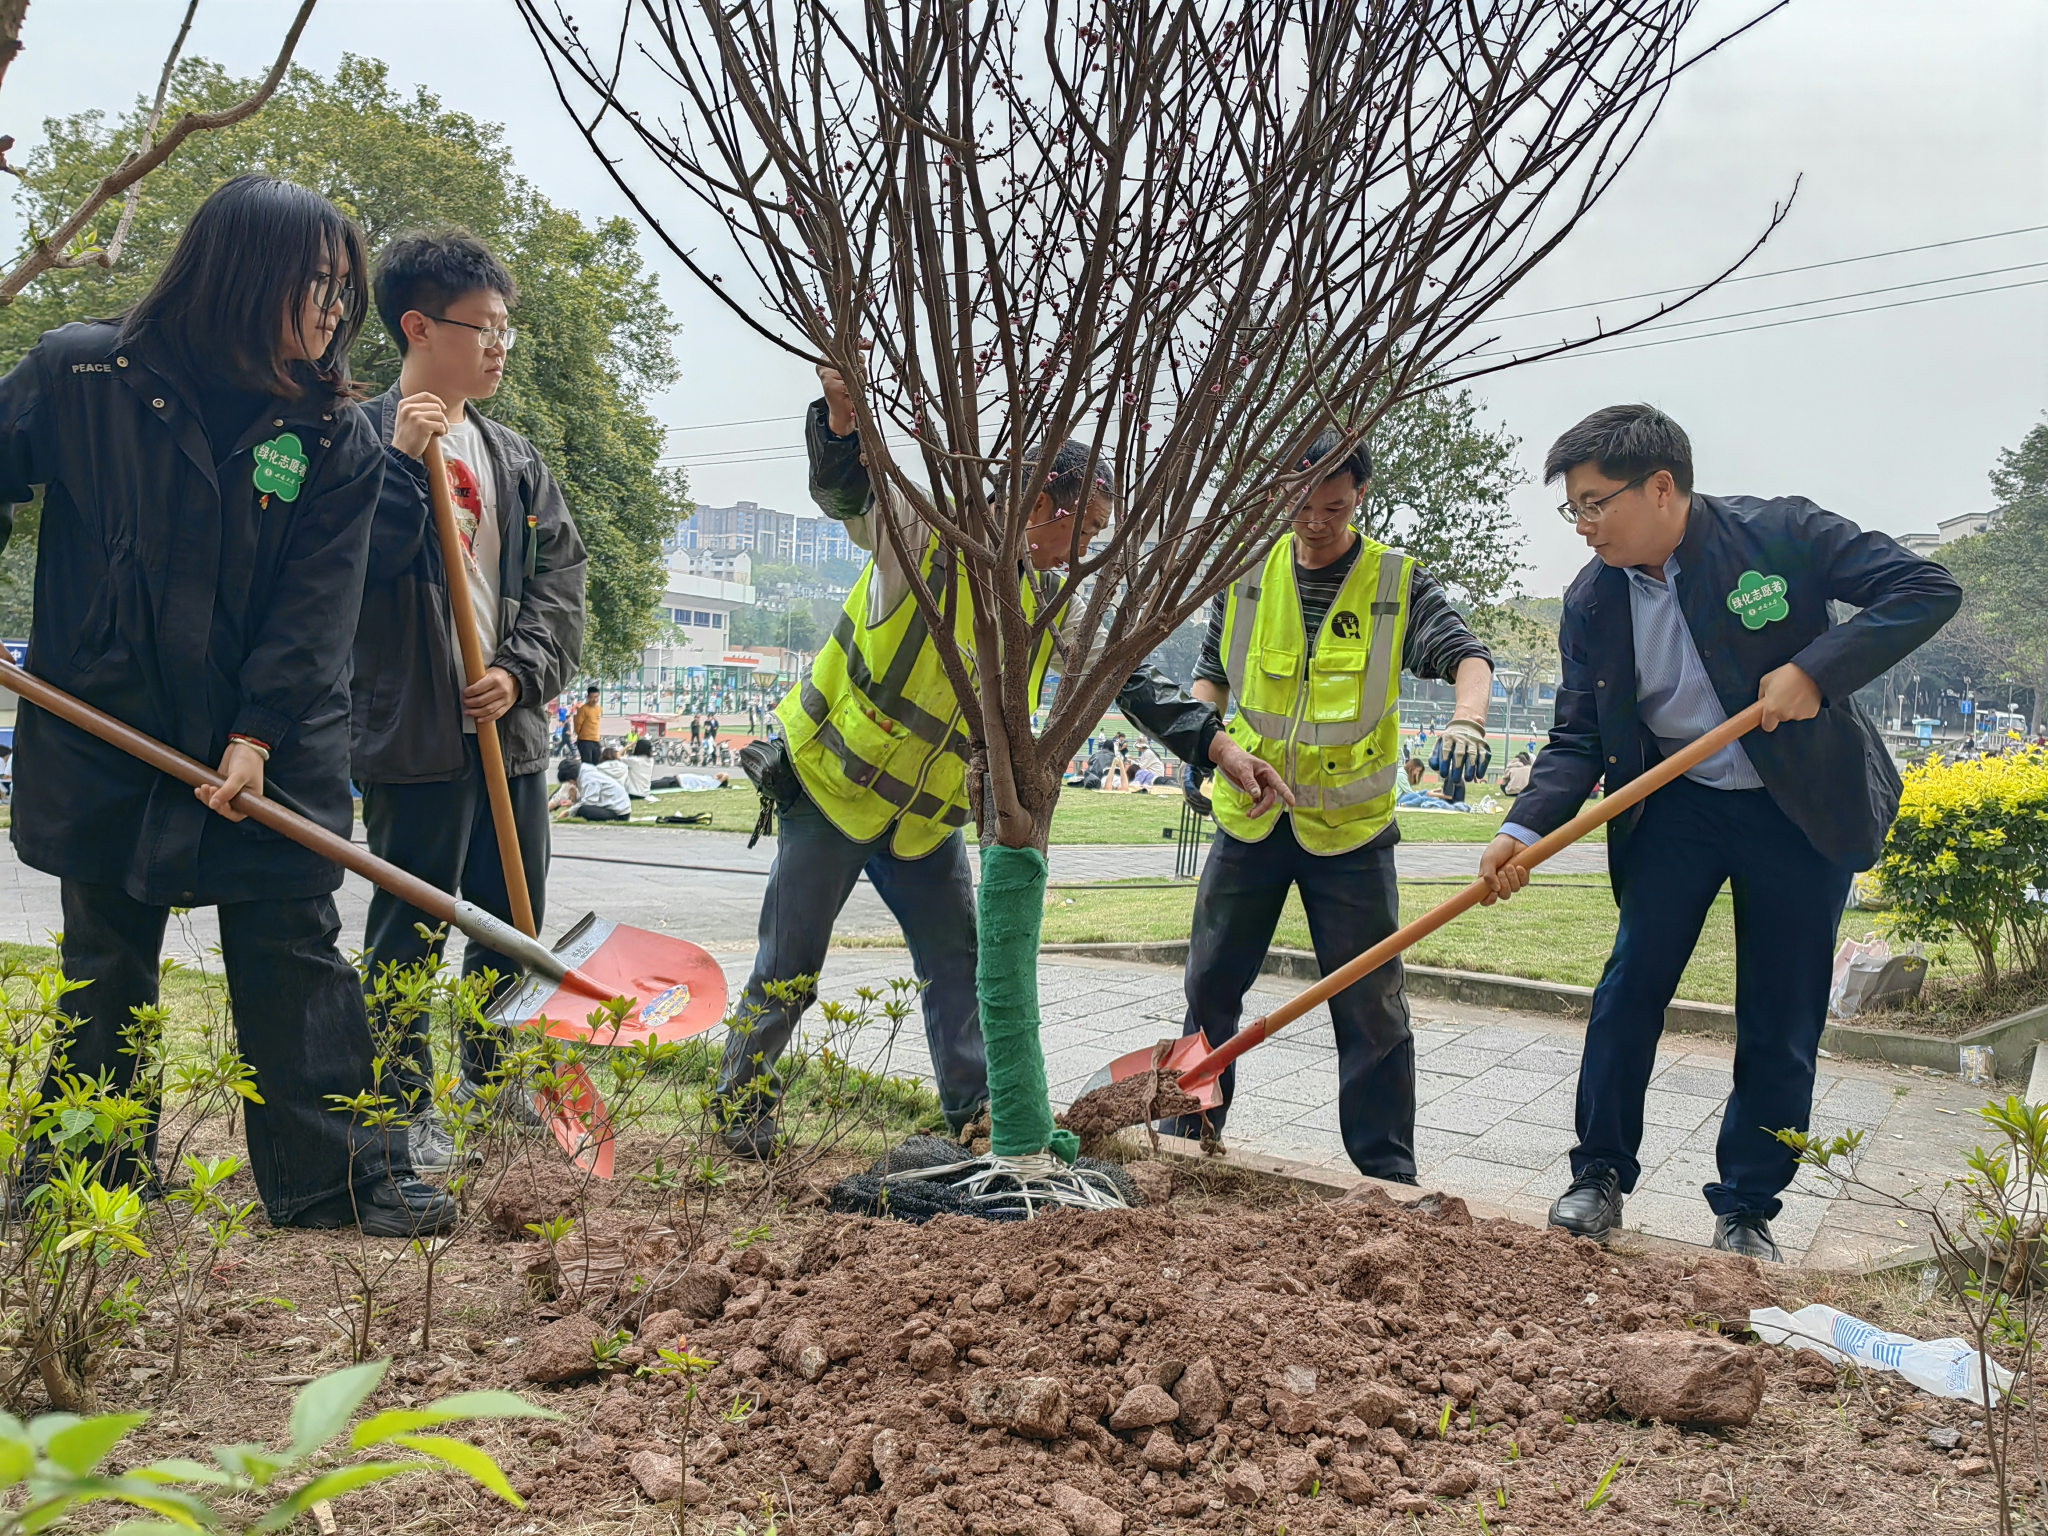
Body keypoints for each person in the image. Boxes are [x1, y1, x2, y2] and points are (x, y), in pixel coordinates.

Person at [0, 175, 455, 1235]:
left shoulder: (333, 433)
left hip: (276, 735)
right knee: (106, 951)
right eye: (318, 286)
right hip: (103, 719)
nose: (336, 312)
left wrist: (255, 735)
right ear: (244, 277)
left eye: (343, 290)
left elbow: (317, 610)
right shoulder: (83, 374)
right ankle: (86, 1164)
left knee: (291, 938)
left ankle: (338, 1177)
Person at [715, 366, 1286, 1157]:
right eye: (1085, 529)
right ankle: (740, 1111)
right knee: (790, 962)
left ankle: (976, 1117)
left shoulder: (1050, 600)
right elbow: (850, 492)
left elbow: (1124, 677)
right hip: (833, 789)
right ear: (1043, 507)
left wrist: (1218, 747)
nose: (1087, 550)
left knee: (961, 968)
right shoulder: (927, 537)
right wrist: (842, 426)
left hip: (924, 825)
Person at [1479, 404, 1961, 1260]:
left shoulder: (1779, 536)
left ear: (1661, 488)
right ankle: (1598, 1173)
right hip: (1679, 804)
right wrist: (1523, 827)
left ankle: (1747, 1207)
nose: (1583, 525)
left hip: (1796, 806)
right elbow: (1578, 737)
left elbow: (1926, 588)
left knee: (1780, 1013)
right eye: (1573, 508)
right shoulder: (1593, 600)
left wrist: (1814, 669)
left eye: (1595, 503)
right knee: (1629, 988)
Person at [1168, 429, 1495, 1182]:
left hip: (1349, 833)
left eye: (1335, 508)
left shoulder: (1392, 584)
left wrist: (1469, 720)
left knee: (1371, 1003)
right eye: (1302, 506)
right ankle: (1186, 1134)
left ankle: (1386, 1171)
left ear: (1361, 497)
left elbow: (1469, 656)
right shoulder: (1248, 574)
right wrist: (1202, 742)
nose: (1316, 523)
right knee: (1210, 985)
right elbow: (1213, 673)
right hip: (1251, 816)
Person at [350, 229, 587, 1174]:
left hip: (508, 734)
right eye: (482, 328)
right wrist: (400, 464)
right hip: (412, 733)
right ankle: (401, 1108)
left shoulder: (514, 458)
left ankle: (496, 1087)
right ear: (418, 327)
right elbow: (345, 573)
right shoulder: (360, 441)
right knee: (408, 933)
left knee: (509, 923)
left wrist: (520, 672)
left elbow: (562, 581)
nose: (498, 346)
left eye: (504, 330)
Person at [551, 757, 630, 821]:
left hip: (619, 813)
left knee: (583, 810)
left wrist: (568, 812)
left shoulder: (589, 780)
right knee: (580, 808)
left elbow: (589, 802)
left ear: (571, 779)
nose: (572, 784)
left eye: (570, 782)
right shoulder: (586, 771)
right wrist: (574, 801)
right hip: (616, 808)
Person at [573, 685, 603, 764]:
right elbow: (577, 725)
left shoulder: (599, 708)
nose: (594, 699)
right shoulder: (583, 709)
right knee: (587, 764)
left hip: (596, 740)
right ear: (588, 697)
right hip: (585, 741)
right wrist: (582, 735)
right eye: (592, 697)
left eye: (596, 697)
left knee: (598, 763)